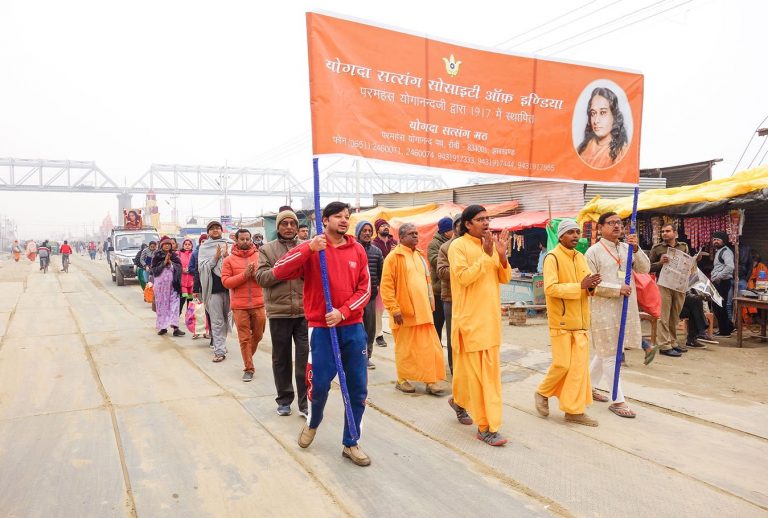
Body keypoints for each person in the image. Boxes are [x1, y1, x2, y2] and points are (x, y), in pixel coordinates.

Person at [273, 202, 371, 467]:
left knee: (357, 389)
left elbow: (365, 290)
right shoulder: (313, 249)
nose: (344, 220)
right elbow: (279, 271)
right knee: (318, 387)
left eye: (347, 217)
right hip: (322, 330)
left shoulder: (357, 249)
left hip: (352, 327)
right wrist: (308, 248)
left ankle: (351, 442)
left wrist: (343, 311)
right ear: (324, 220)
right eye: (338, 216)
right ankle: (313, 422)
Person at [448, 205, 512, 446]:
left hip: (490, 321)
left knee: (480, 376)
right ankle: (486, 427)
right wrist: (486, 256)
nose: (486, 223)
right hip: (470, 322)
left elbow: (503, 277)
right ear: (467, 224)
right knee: (482, 380)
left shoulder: (491, 245)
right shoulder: (458, 246)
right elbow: (463, 277)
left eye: (488, 218)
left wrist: (502, 255)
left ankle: (459, 401)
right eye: (480, 219)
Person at [584, 212, 650, 419]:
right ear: (601, 227)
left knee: (606, 352)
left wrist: (637, 249)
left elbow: (645, 268)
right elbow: (590, 283)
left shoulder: (626, 248)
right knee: (612, 354)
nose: (616, 227)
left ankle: (588, 387)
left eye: (619, 224)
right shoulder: (593, 252)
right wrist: (616, 288)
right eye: (611, 223)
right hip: (603, 308)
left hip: (625, 306)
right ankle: (618, 400)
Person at [535, 220, 600, 427]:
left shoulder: (581, 257)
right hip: (561, 321)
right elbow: (550, 289)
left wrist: (591, 287)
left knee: (578, 369)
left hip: (580, 321)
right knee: (562, 364)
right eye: (570, 232)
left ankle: (574, 411)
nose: (575, 236)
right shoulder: (552, 257)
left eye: (577, 232)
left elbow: (586, 286)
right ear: (561, 236)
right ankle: (542, 392)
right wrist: (580, 286)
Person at [381, 223, 447, 395]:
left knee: (429, 348)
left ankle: (430, 381)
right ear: (401, 237)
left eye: (416, 233)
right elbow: (386, 286)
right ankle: (402, 379)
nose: (416, 237)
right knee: (406, 350)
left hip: (424, 312)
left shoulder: (419, 255)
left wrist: (431, 305)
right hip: (404, 314)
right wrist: (394, 309)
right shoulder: (393, 257)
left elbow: (427, 282)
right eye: (411, 234)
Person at [256, 210, 310, 416]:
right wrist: (284, 269)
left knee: (305, 359)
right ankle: (284, 400)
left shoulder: (306, 248)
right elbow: (261, 278)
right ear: (277, 227)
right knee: (281, 358)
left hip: (305, 312)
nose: (288, 227)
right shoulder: (267, 250)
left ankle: (305, 403)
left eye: (292, 223)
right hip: (279, 313)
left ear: (297, 227)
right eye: (284, 223)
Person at [222, 228, 266, 383]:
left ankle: (247, 356)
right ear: (237, 240)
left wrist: (255, 275)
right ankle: (248, 367)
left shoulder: (260, 256)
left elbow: (267, 278)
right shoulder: (229, 260)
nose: (246, 242)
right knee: (244, 339)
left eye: (248, 239)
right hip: (239, 306)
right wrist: (244, 275)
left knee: (259, 335)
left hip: (259, 303)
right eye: (242, 239)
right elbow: (226, 282)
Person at [196, 221, 233, 362]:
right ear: (208, 232)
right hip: (213, 289)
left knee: (226, 318)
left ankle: (221, 344)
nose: (215, 230)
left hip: (229, 288)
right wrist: (216, 257)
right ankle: (219, 350)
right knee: (217, 321)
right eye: (212, 228)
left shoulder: (229, 243)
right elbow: (201, 268)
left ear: (221, 230)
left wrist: (227, 257)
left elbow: (235, 262)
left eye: (218, 228)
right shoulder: (204, 247)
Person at [649, 224, 687, 357]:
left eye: (667, 231)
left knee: (674, 316)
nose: (664, 233)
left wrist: (695, 260)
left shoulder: (683, 246)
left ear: (675, 233)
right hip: (664, 284)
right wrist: (660, 263)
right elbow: (647, 267)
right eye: (663, 231)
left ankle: (673, 341)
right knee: (663, 316)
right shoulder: (657, 248)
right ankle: (664, 345)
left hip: (679, 285)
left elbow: (688, 265)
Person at [354, 220, 383, 370]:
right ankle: (354, 357)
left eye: (369, 230)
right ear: (358, 233)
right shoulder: (352, 250)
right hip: (353, 298)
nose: (367, 233)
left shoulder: (377, 252)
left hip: (370, 297)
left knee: (370, 329)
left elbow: (380, 274)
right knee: (355, 330)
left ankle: (367, 357)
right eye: (363, 230)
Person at [577, 87, 629, 169]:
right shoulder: (582, 148)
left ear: (614, 116)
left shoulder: (622, 152)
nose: (596, 121)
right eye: (593, 113)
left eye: (603, 112)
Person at [437, 216, 462, 376]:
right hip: (451, 298)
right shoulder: (445, 248)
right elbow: (441, 272)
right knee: (453, 336)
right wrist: (462, 269)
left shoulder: (476, 246)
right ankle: (455, 369)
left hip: (472, 299)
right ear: (455, 227)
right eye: (460, 225)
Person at [151, 236, 185, 336]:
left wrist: (171, 263)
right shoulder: (156, 256)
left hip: (173, 285)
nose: (167, 245)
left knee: (174, 305)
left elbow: (179, 269)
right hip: (161, 287)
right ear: (161, 245)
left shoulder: (174, 256)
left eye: (168, 244)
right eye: (165, 244)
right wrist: (164, 262)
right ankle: (163, 327)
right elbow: (154, 271)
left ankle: (175, 328)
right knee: (162, 306)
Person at [372, 218, 398, 347]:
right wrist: (391, 254)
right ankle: (379, 335)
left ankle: (397, 330)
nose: (386, 227)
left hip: (395, 281)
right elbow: (380, 262)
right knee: (378, 311)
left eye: (387, 225)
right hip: (380, 281)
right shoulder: (374, 245)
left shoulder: (395, 242)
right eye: (382, 226)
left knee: (396, 307)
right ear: (377, 229)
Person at [428, 216, 454, 343]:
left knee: (451, 326)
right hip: (438, 290)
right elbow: (434, 261)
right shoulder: (434, 243)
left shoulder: (454, 241)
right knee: (437, 324)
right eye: (452, 229)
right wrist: (452, 260)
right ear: (446, 231)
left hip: (450, 289)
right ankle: (435, 351)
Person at [710, 231, 734, 337]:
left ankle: (725, 331)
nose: (715, 241)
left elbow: (730, 267)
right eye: (714, 239)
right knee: (718, 305)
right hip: (719, 282)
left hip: (722, 282)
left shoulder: (726, 251)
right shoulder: (719, 251)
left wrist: (718, 276)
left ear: (723, 241)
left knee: (719, 306)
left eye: (718, 240)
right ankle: (728, 327)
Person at [189, 234, 211, 341]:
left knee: (208, 311)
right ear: (199, 243)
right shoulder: (195, 254)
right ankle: (196, 331)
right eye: (202, 241)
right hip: (199, 286)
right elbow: (191, 269)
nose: (204, 243)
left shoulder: (213, 253)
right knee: (198, 310)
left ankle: (207, 331)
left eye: (206, 241)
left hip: (211, 287)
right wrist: (202, 272)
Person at [178, 239, 195, 313]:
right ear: (183, 245)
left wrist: (191, 270)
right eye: (186, 244)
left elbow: (196, 266)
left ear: (192, 246)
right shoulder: (179, 254)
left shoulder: (194, 254)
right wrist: (182, 269)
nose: (187, 246)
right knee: (181, 301)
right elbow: (175, 265)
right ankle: (176, 318)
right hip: (182, 283)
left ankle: (189, 319)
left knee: (190, 301)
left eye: (189, 244)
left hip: (192, 282)